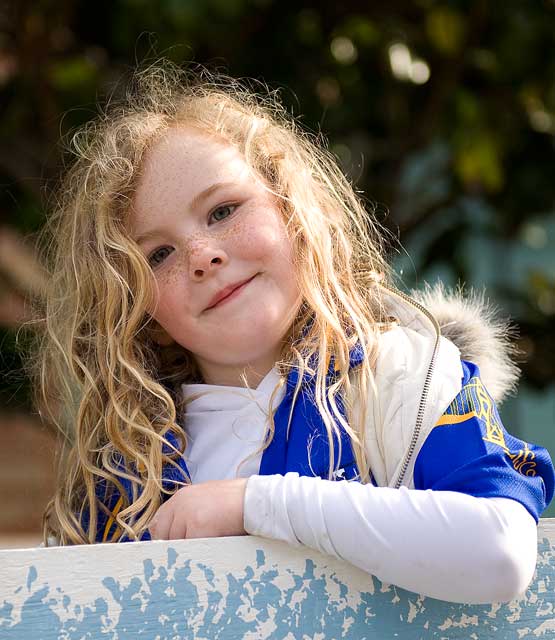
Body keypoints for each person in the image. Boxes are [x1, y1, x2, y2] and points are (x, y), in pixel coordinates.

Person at [34, 63, 554, 604]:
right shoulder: (128, 467)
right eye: (159, 254)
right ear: (140, 314)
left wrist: (257, 505)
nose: (202, 256)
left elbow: (499, 553)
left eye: (223, 210)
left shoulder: (403, 378)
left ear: (295, 214)